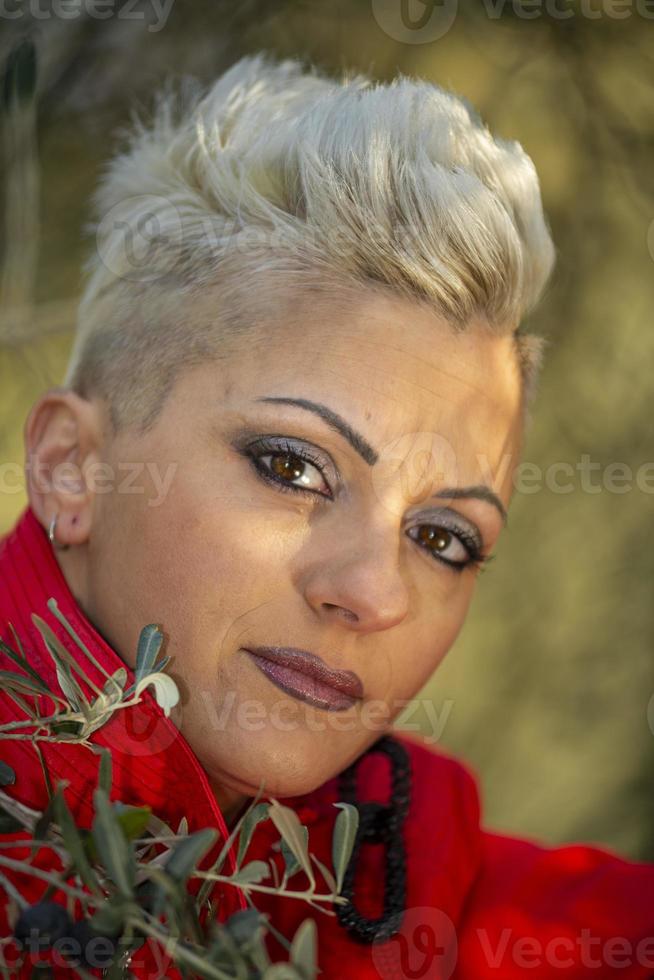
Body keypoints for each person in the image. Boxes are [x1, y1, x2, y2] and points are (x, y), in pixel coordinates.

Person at [0, 52, 652, 979]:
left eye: (442, 538)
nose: (372, 590)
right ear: (72, 469)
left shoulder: (433, 892)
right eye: (293, 467)